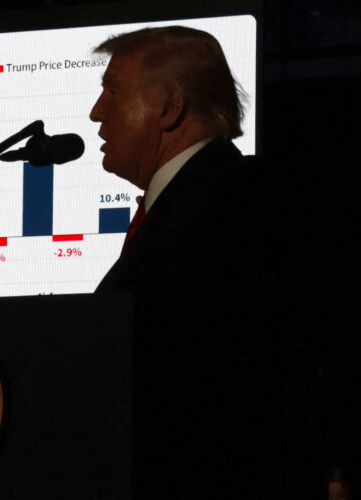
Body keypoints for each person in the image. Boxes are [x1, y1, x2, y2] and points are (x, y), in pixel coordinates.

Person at [90, 27, 285, 496]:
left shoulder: (230, 202)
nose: (97, 112)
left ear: (169, 107)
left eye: (113, 92)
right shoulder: (195, 201)